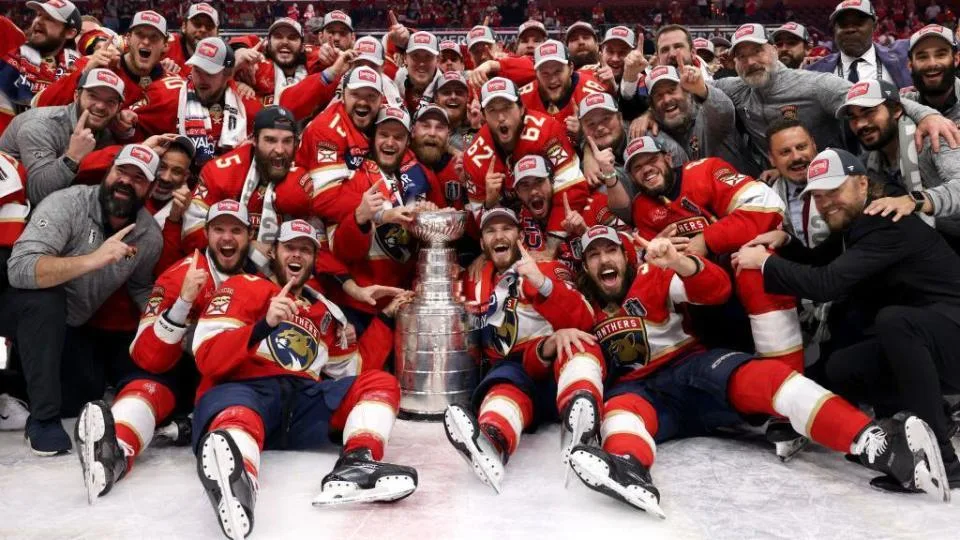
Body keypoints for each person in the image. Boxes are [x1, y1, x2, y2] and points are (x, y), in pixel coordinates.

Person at [565, 224, 951, 515]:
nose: (604, 260)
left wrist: (680, 262)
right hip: (641, 394)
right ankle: (629, 469)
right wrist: (557, 336)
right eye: (594, 255)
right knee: (620, 413)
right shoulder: (578, 307)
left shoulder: (651, 277)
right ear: (585, 267)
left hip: (691, 368)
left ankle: (879, 445)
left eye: (610, 251)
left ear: (625, 256)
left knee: (763, 377)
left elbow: (714, 290)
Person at [735, 147, 960, 490]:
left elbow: (826, 284)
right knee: (844, 366)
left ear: (862, 184)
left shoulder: (887, 223)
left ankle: (941, 460)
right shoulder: (856, 224)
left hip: (952, 336)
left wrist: (763, 263)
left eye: (834, 191)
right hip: (935, 341)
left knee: (895, 321)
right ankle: (910, 431)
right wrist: (785, 241)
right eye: (819, 197)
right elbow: (819, 262)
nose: (826, 203)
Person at [190, 219, 416, 538]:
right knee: (238, 412)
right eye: (289, 247)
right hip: (245, 390)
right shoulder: (242, 286)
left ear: (314, 261)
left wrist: (384, 317)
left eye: (305, 250)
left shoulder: (326, 313)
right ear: (273, 252)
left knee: (380, 383)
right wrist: (263, 325)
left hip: (300, 405)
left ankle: (357, 463)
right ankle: (238, 482)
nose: (296, 255)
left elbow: (354, 371)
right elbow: (207, 357)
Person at [74, 199, 251, 502]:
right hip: (177, 372)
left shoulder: (259, 276)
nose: (227, 238)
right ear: (206, 234)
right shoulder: (178, 275)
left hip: (225, 380)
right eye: (219, 229)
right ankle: (114, 448)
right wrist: (182, 305)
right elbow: (147, 355)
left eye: (236, 230)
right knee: (148, 384)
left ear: (249, 237)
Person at [0, 144, 162, 455]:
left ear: (151, 188)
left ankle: (11, 387)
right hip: (18, 305)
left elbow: (140, 287)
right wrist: (93, 260)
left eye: (138, 178)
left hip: (68, 327)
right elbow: (19, 269)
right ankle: (42, 422)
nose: (126, 181)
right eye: (121, 171)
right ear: (108, 173)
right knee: (46, 301)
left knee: (83, 393)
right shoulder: (66, 204)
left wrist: (166, 317)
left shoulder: (149, 235)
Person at [606, 136, 805, 376]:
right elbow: (649, 261)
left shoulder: (706, 170)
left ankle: (787, 376)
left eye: (652, 160)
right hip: (700, 286)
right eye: (637, 167)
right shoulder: (642, 207)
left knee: (753, 266)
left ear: (668, 158)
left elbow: (765, 207)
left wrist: (706, 241)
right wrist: (659, 250)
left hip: (739, 262)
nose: (646, 169)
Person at [443, 208, 598, 493]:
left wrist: (541, 282)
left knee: (578, 344)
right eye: (490, 231)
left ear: (520, 236)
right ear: (482, 244)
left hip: (553, 372)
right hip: (512, 374)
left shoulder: (546, 268)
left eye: (507, 229)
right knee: (504, 384)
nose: (499, 235)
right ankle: (492, 441)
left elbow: (585, 321)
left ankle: (583, 418)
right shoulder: (471, 280)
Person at [710, 23, 957, 172]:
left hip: (833, 182)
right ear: (734, 62)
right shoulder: (736, 89)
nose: (751, 61)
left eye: (757, 51)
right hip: (777, 187)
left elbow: (873, 98)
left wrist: (926, 114)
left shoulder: (816, 85)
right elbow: (703, 88)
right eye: (742, 56)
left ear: (773, 50)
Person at [329, 107, 440, 321]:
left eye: (398, 137)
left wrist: (430, 217)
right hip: (358, 304)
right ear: (372, 137)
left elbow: (440, 229)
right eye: (384, 135)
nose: (390, 142)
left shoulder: (422, 176)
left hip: (405, 300)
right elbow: (340, 251)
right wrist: (363, 218)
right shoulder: (352, 177)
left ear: (408, 141)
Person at [463, 77, 590, 255]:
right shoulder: (474, 156)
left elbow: (572, 187)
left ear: (522, 108)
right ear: (483, 116)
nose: (501, 117)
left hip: (560, 222)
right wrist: (490, 203)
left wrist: (551, 247)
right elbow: (480, 223)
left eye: (507, 107)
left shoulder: (547, 130)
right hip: (519, 231)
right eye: (492, 110)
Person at [838, 80, 960, 240]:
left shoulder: (934, 138)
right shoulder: (869, 162)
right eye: (852, 117)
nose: (860, 124)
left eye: (869, 112)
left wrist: (912, 201)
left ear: (896, 110)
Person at [125, 37, 264, 167]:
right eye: (197, 70)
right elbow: (128, 128)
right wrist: (125, 126)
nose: (201, 79)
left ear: (228, 74)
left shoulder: (250, 108)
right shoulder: (164, 94)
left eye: (209, 73)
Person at [0, 67, 124, 204]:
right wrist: (73, 157)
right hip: (11, 205)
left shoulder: (105, 133)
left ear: (118, 108)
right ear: (76, 96)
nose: (101, 106)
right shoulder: (41, 126)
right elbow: (36, 193)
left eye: (110, 101)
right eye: (93, 96)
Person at [296, 66, 384, 224]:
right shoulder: (325, 129)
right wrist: (382, 213)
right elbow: (324, 197)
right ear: (343, 96)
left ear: (381, 100)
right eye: (355, 94)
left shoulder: (382, 119)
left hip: (350, 198)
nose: (363, 102)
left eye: (371, 96)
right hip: (314, 214)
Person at [33, 10, 169, 109]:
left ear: (165, 46)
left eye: (154, 37)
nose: (146, 41)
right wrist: (85, 73)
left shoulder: (172, 80)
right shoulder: (93, 64)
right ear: (127, 39)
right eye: (140, 34)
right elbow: (38, 103)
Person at [645, 63, 759, 176]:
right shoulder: (653, 134)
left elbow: (724, 111)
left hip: (743, 190)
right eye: (658, 96)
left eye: (671, 91)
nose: (666, 99)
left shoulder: (707, 113)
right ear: (653, 106)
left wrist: (702, 90)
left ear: (687, 92)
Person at [0, 0, 82, 130]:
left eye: (49, 18)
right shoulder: (13, 51)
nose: (38, 21)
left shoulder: (79, 69)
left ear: (70, 33)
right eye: (38, 15)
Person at [807, 0, 913, 89]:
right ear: (834, 29)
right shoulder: (813, 71)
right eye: (843, 24)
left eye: (858, 23)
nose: (850, 29)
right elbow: (794, 111)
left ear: (875, 26)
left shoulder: (903, 57)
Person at [901, 25, 959, 122]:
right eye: (922, 57)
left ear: (956, 59)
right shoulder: (902, 102)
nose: (932, 64)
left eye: (941, 55)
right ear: (910, 65)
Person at [162, 2, 219, 76]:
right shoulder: (167, 45)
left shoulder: (222, 56)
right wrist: (157, 70)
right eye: (197, 23)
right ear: (184, 27)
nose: (203, 29)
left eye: (209, 26)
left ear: (217, 33)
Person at [433, 71, 477, 151]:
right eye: (446, 92)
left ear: (467, 97)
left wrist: (475, 127)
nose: (453, 96)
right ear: (436, 98)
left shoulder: (471, 130)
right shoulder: (426, 125)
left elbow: (468, 150)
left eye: (459, 92)